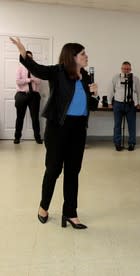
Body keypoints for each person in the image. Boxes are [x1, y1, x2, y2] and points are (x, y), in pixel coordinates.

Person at [10, 37, 99, 229]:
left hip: (78, 130)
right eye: (83, 53)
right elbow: (37, 69)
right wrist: (22, 51)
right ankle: (43, 207)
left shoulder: (86, 76)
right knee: (53, 170)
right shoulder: (58, 72)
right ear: (72, 56)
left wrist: (94, 94)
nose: (86, 56)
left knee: (73, 172)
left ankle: (70, 213)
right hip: (59, 128)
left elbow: (90, 106)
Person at [109, 61, 140, 151]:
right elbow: (111, 90)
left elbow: (139, 91)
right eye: (124, 68)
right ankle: (117, 143)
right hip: (118, 103)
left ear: (131, 69)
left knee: (132, 125)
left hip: (130, 104)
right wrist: (109, 102)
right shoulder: (116, 78)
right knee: (117, 125)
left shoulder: (135, 79)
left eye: (128, 69)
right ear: (121, 68)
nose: (126, 70)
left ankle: (132, 143)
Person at [14, 50, 43, 144]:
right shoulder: (20, 68)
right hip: (22, 95)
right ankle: (17, 137)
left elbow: (39, 81)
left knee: (35, 118)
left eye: (31, 57)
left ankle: (37, 137)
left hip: (34, 95)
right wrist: (29, 80)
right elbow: (18, 82)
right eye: (27, 57)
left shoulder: (36, 69)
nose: (29, 59)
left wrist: (32, 79)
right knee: (20, 117)